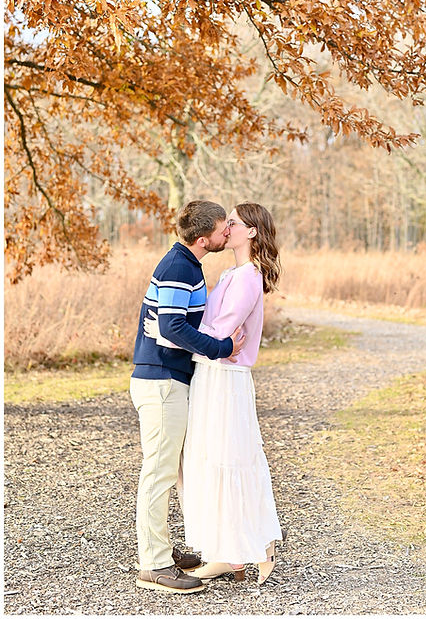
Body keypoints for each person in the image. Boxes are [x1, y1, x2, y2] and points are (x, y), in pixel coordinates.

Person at [145, 202, 285, 585]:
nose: (228, 228)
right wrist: (178, 332)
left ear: (251, 232)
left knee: (228, 459)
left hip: (225, 378)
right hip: (210, 372)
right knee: (208, 461)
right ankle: (226, 553)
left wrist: (164, 332)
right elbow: (207, 330)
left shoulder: (248, 277)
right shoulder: (232, 273)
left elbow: (220, 332)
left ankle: (257, 546)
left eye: (234, 223)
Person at [130, 200, 246, 594]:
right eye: (221, 229)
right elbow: (171, 325)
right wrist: (222, 346)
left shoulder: (187, 264)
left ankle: (160, 549)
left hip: (169, 379)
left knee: (172, 470)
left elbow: (169, 324)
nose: (227, 232)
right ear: (203, 239)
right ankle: (154, 565)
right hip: (161, 381)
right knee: (159, 472)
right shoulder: (179, 266)